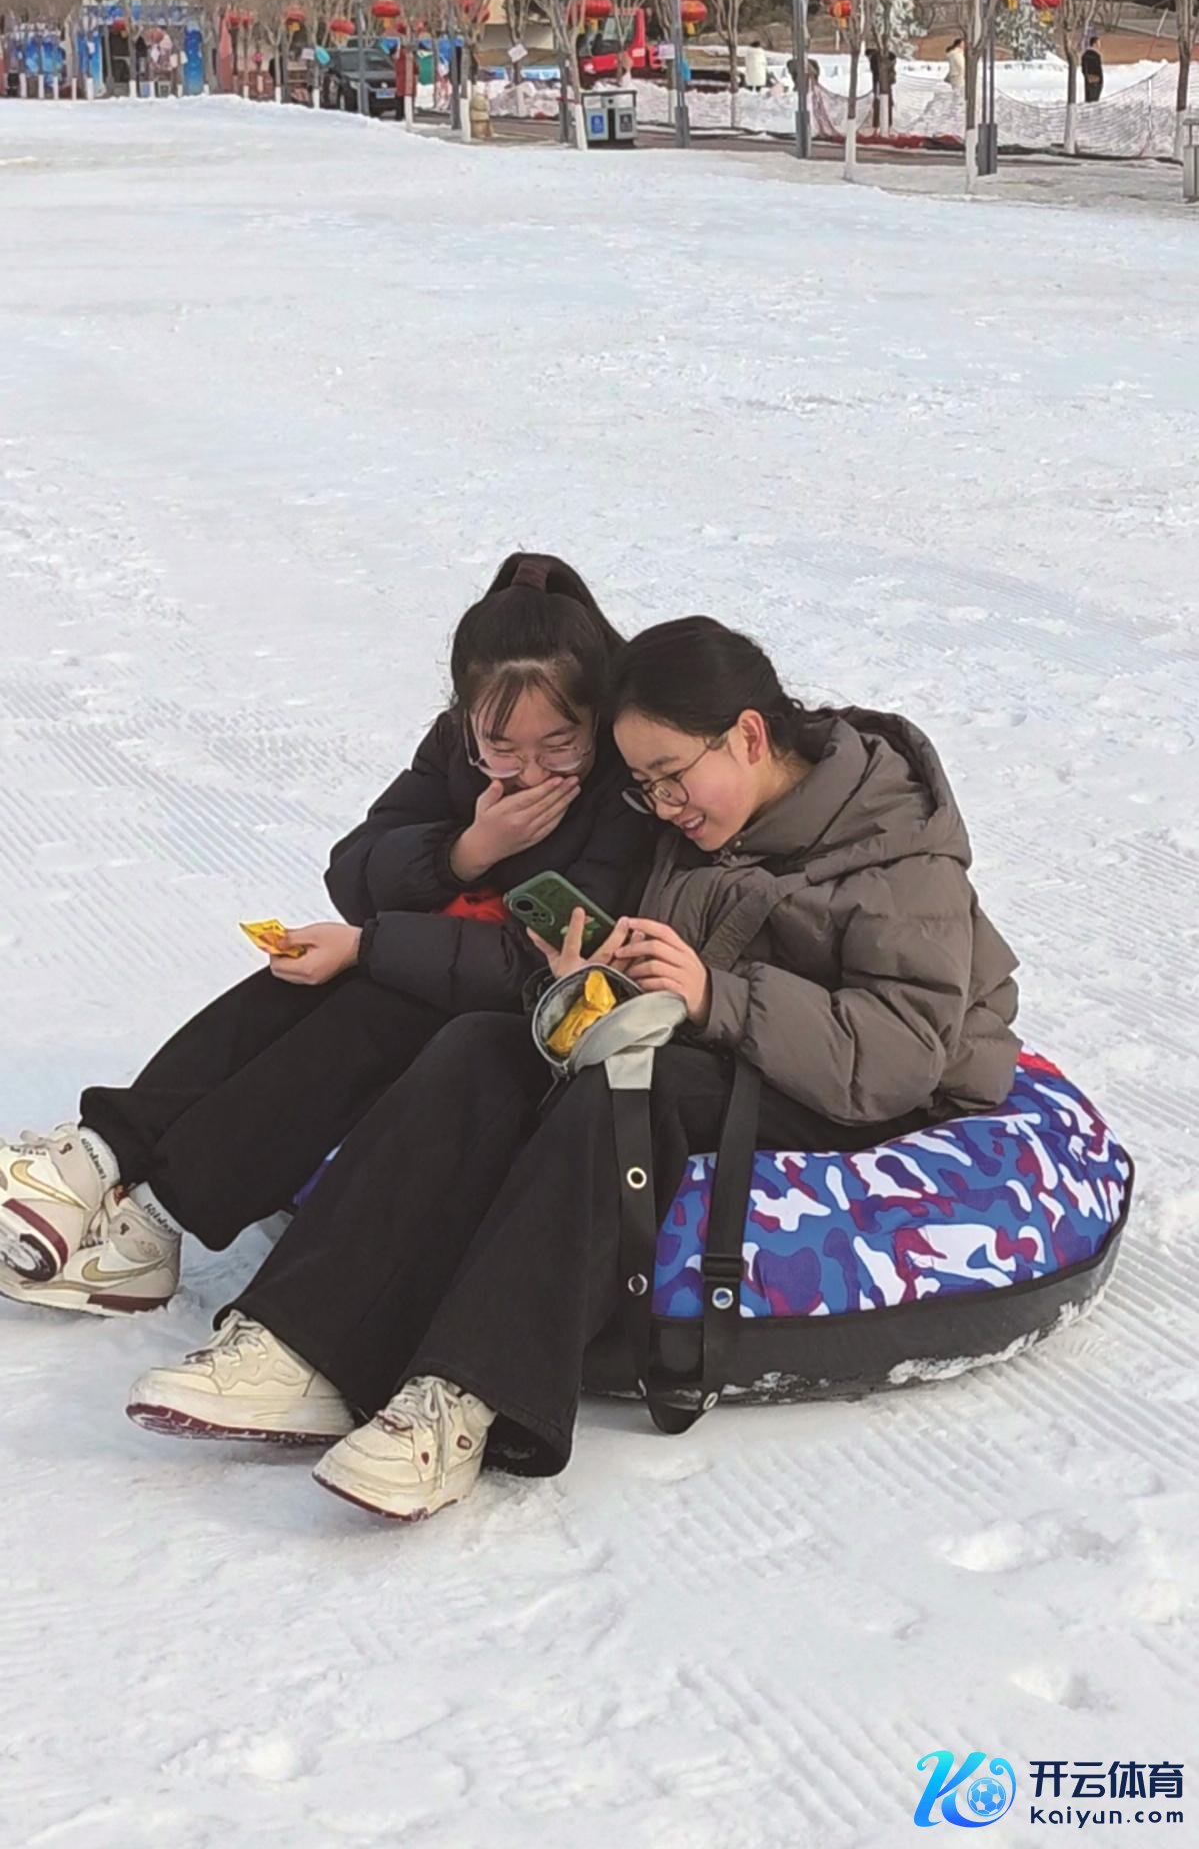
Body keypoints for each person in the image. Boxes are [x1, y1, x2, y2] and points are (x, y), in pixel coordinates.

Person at [129, 617, 1022, 1524]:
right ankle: (300, 1347)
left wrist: (713, 995)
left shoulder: (895, 851)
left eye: (671, 776)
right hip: (710, 1037)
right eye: (645, 785)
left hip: (848, 1088)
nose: (663, 806)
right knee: (482, 1045)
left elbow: (900, 1054)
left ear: (748, 736)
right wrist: (589, 976)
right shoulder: (701, 818)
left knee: (616, 1096)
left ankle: (463, 1397)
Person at [0, 554, 650, 1319]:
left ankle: (152, 1224)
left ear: (596, 721)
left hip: (525, 1020)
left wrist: (368, 947)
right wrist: (464, 851)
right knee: (296, 978)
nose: (531, 771)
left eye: (560, 745)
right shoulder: (456, 752)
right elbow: (354, 871)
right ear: (466, 718)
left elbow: (528, 967)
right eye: (501, 747)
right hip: (436, 967)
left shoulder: (620, 790)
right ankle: (95, 1158)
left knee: (368, 1010)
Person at [1081, 34, 1103, 104]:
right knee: (1093, 100)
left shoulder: (1085, 54)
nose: (1099, 45)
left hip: (1089, 80)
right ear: (1094, 44)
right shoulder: (1094, 55)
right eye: (1098, 43)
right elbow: (1098, 69)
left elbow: (1084, 69)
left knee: (1089, 99)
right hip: (1095, 80)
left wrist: (1087, 76)